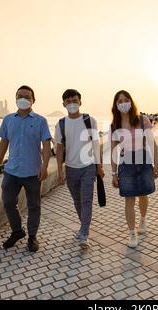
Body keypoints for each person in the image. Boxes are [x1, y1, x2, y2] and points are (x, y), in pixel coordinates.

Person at [0, 85, 52, 252]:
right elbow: (4, 141)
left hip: (32, 172)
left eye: (27, 97)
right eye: (20, 96)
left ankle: (32, 236)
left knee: (34, 205)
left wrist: (45, 167)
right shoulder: (8, 119)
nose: (23, 99)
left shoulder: (40, 121)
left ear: (33, 100)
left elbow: (47, 144)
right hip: (11, 171)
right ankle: (17, 231)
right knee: (8, 202)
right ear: (15, 98)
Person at [55, 89, 104, 249]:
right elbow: (60, 149)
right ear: (63, 104)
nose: (72, 104)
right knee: (77, 201)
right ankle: (83, 227)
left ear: (80, 102)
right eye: (68, 101)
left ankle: (84, 234)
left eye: (74, 100)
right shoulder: (61, 124)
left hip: (88, 167)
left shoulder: (90, 120)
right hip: (70, 168)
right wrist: (60, 171)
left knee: (86, 201)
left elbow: (96, 145)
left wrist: (99, 166)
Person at [110, 90, 158, 248]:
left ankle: (143, 220)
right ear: (116, 105)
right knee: (129, 199)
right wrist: (113, 173)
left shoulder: (142, 120)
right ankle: (132, 234)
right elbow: (113, 150)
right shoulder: (115, 125)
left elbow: (152, 143)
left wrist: (157, 165)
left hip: (144, 161)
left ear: (131, 102)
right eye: (119, 101)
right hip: (126, 163)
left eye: (126, 100)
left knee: (143, 195)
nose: (123, 103)